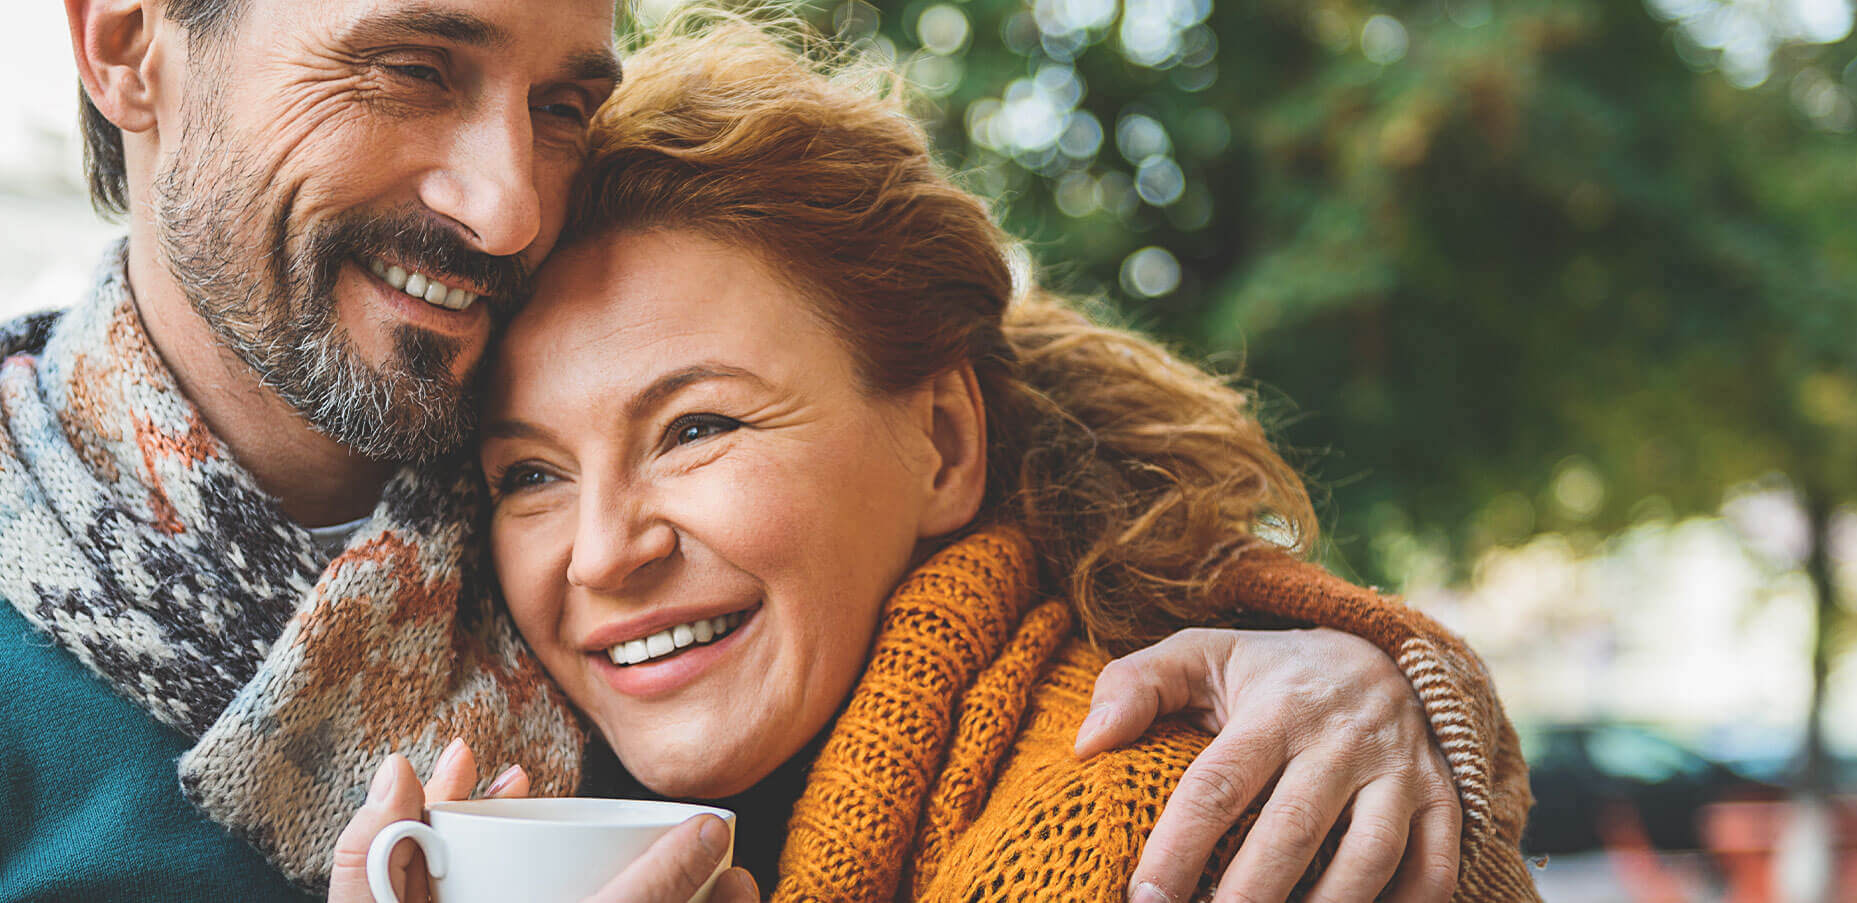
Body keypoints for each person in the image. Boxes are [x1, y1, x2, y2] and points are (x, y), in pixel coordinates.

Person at [0, 0, 1524, 900]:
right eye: (412, 64)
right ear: (124, 47)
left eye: (563, 100)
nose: (506, 201)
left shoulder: (671, 667)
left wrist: (1360, 669)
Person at [328, 19, 1535, 903]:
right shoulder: (523, 788)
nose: (602, 553)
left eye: (697, 428)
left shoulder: (1133, 823)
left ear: (945, 440)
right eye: (529, 475)